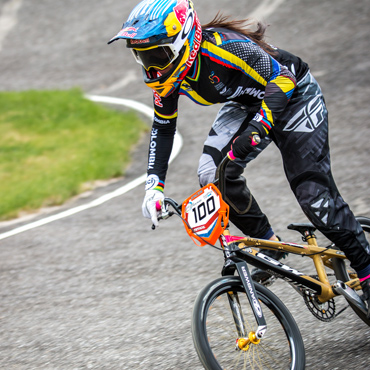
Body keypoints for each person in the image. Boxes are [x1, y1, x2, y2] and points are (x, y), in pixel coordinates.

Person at [108, 0, 370, 317]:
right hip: (246, 104)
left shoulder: (223, 49)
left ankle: (366, 269)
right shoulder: (167, 78)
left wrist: (259, 129)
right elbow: (163, 128)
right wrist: (154, 186)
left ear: (182, 43)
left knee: (314, 196)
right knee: (211, 176)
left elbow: (284, 79)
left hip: (294, 96)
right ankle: (267, 244)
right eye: (142, 57)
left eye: (156, 55)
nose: (151, 68)